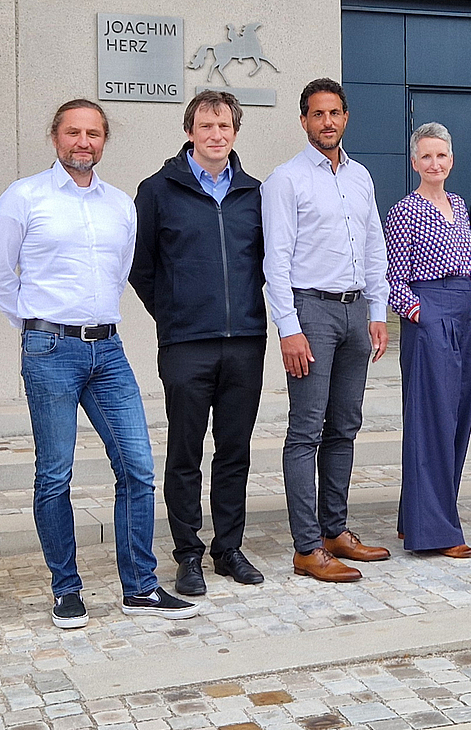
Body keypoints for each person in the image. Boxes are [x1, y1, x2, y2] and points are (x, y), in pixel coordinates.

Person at [0, 99, 199, 628]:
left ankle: (140, 588)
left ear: (104, 141)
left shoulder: (120, 205)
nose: (84, 142)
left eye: (94, 134)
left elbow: (122, 271)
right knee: (55, 474)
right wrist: (36, 327)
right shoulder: (24, 197)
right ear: (56, 137)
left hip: (109, 351)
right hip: (50, 350)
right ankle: (66, 589)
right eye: (74, 132)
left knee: (139, 469)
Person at [130, 90, 267, 597]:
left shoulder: (255, 193)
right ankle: (187, 552)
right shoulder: (157, 190)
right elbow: (140, 266)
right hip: (186, 343)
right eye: (206, 126)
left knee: (234, 451)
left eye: (225, 127)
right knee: (185, 452)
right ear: (189, 130)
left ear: (235, 132)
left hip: (245, 342)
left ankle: (228, 547)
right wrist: (171, 312)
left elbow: (268, 263)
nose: (216, 135)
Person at [262, 78, 392, 582]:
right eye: (318, 114)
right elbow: (276, 262)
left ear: (346, 117)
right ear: (303, 121)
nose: (328, 122)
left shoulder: (360, 177)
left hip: (354, 312)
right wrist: (288, 328)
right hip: (310, 312)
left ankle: (336, 529)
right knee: (306, 431)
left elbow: (375, 245)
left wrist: (377, 311)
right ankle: (306, 546)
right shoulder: (286, 180)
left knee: (345, 426)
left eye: (335, 113)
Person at [385, 123, 471, 558]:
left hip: (464, 315)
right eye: (426, 157)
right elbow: (393, 276)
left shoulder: (460, 206)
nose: (435, 164)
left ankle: (417, 519)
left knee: (459, 419)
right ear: (414, 163)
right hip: (429, 315)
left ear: (451, 160)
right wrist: (420, 315)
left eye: (441, 156)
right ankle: (438, 533)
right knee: (431, 423)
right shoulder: (403, 211)